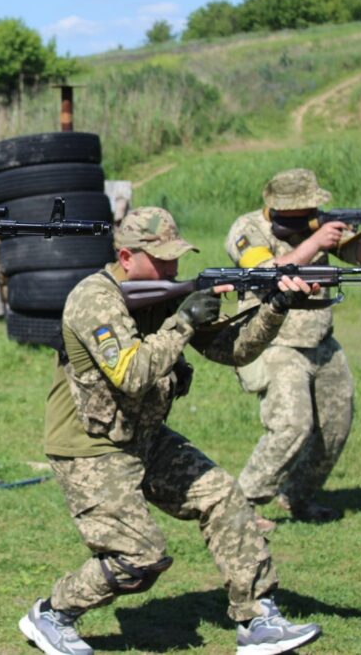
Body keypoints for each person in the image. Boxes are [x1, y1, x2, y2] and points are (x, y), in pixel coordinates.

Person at [20, 207, 323, 655]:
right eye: (162, 261)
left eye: (176, 258)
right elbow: (131, 373)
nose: (173, 269)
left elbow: (233, 349)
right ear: (126, 256)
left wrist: (275, 308)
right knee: (138, 559)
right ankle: (52, 614)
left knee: (223, 495)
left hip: (144, 437)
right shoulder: (93, 299)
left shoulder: (162, 293)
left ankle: (257, 619)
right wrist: (183, 321)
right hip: (91, 447)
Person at [225, 169, 361, 525]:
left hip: (321, 340)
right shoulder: (247, 229)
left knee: (335, 425)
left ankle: (297, 496)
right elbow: (265, 270)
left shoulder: (318, 224)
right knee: (292, 426)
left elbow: (357, 254)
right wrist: (315, 243)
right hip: (276, 342)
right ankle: (242, 505)